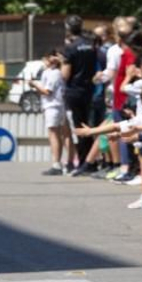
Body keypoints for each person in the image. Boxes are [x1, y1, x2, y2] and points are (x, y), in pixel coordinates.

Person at [61, 16, 101, 175]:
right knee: (89, 124)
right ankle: (91, 160)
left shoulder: (70, 48)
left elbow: (65, 74)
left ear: (68, 28)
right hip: (89, 90)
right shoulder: (91, 45)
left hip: (74, 91)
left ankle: (84, 162)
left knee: (78, 127)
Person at [34, 48, 69, 174]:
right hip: (52, 106)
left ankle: (56, 164)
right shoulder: (48, 72)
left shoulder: (54, 73)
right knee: (55, 134)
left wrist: (34, 86)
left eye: (46, 58)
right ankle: (58, 163)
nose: (44, 60)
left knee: (54, 134)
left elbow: (47, 91)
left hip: (54, 106)